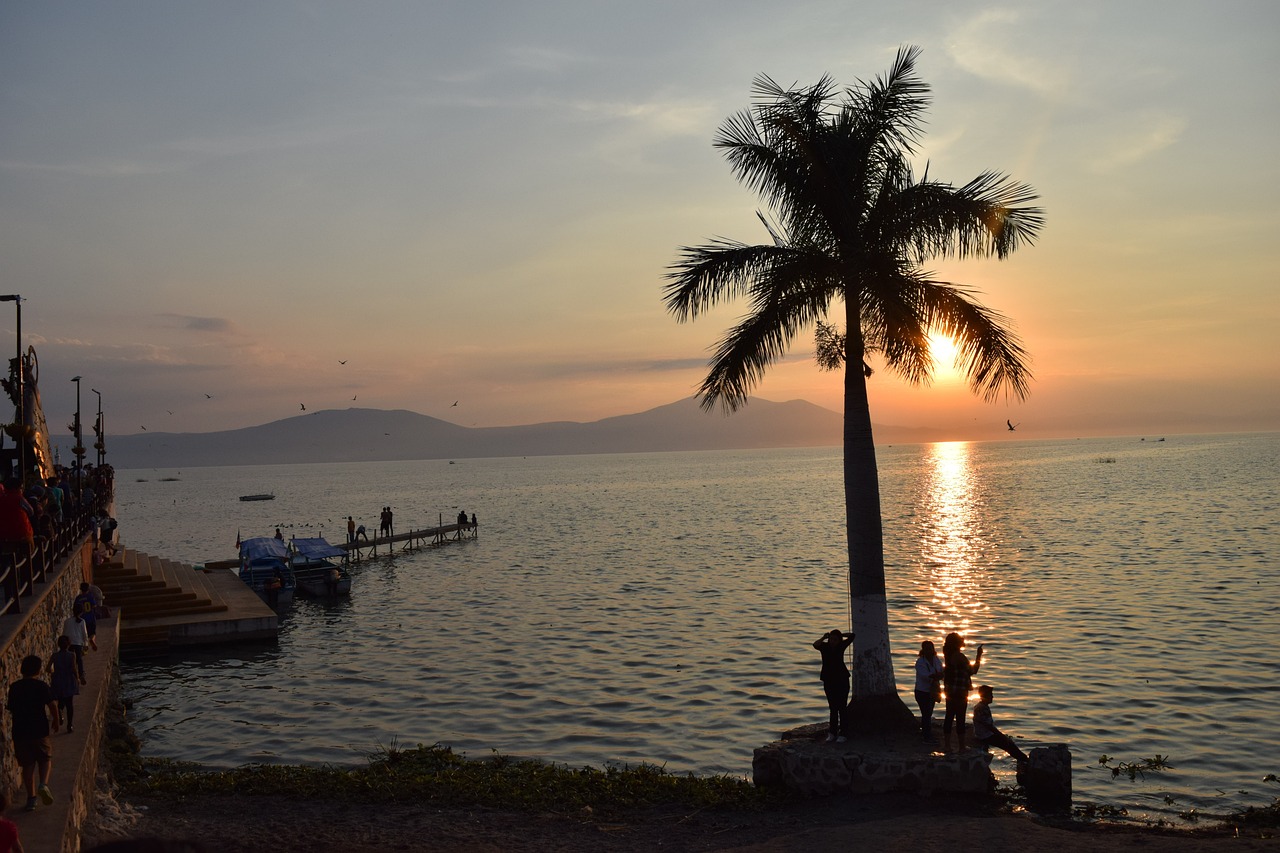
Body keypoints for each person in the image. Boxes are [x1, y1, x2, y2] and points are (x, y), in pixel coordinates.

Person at [6, 654, 60, 812]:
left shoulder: (14, 687)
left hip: (20, 731)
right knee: (45, 759)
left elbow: (11, 708)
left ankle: (31, 800)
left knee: (28, 766)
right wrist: (56, 721)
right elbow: (52, 705)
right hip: (39, 729)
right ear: (38, 669)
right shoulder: (41, 686)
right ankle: (43, 784)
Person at [942, 631, 982, 751]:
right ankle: (961, 747)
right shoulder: (959, 656)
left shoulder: (948, 655)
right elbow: (973, 670)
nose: (963, 640)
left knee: (949, 716)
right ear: (956, 643)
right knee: (960, 718)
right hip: (960, 691)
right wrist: (978, 656)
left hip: (950, 691)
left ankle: (947, 746)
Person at [812, 629, 854, 743]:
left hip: (842, 680)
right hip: (828, 680)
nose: (833, 641)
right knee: (833, 708)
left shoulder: (841, 646)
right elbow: (815, 644)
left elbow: (852, 636)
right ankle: (832, 733)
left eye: (835, 639)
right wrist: (824, 637)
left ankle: (843, 733)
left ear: (838, 640)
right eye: (831, 639)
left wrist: (841, 635)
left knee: (842, 707)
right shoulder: (824, 647)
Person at [973, 685, 1029, 762]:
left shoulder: (982, 706)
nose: (992, 697)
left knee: (1008, 742)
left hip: (985, 733)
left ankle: (1022, 759)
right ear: (985, 695)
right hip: (985, 736)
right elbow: (989, 727)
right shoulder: (982, 708)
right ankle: (1025, 760)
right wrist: (1002, 736)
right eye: (991, 695)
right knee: (1008, 744)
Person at [48, 636, 80, 734]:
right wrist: (77, 678)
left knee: (60, 700)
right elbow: (74, 668)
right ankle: (69, 725)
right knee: (69, 704)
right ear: (68, 644)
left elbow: (48, 668)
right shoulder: (72, 655)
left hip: (58, 680)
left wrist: (53, 673)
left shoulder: (54, 655)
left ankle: (60, 711)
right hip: (68, 680)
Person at [913, 640, 944, 742]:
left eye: (930, 648)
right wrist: (938, 675)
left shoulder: (936, 659)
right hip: (922, 691)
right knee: (926, 712)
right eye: (926, 649)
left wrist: (939, 675)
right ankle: (927, 735)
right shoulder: (920, 662)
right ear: (923, 650)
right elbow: (925, 676)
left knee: (929, 712)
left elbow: (941, 670)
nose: (929, 651)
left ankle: (926, 733)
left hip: (933, 690)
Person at [60, 607, 89, 685]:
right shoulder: (82, 621)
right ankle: (81, 674)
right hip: (78, 643)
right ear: (81, 613)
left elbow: (65, 633)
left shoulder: (67, 621)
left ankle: (70, 676)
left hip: (69, 644)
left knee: (70, 661)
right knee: (79, 659)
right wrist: (86, 644)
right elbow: (84, 634)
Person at [74, 583, 99, 651]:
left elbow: (75, 608)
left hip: (82, 619)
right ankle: (92, 639)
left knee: (83, 634)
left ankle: (85, 647)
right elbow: (94, 605)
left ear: (80, 589)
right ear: (88, 589)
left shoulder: (78, 598)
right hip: (90, 618)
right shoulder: (90, 596)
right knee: (92, 633)